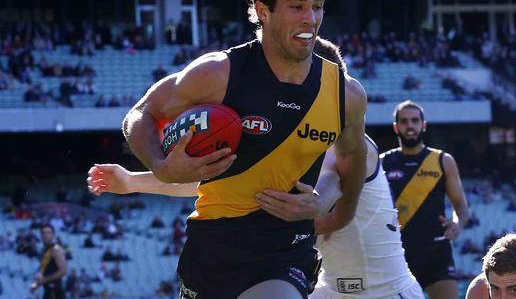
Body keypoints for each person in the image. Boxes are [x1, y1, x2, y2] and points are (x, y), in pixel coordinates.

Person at [120, 0, 367, 299]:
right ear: (262, 10)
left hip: (285, 253)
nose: (310, 19)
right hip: (210, 251)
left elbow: (351, 159)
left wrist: (332, 205)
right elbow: (142, 114)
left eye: (317, 7)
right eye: (297, 6)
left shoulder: (347, 95)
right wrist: (161, 165)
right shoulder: (216, 73)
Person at [88, 38, 422, 299]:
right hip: (332, 289)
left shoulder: (350, 145)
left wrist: (317, 203)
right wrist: (134, 181)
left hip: (385, 291)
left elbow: (330, 186)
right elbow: (216, 182)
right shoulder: (292, 147)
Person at [381, 100, 470, 299]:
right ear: (396, 127)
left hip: (436, 251)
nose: (410, 125)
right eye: (404, 121)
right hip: (397, 252)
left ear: (424, 125)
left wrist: (457, 224)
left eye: (414, 120)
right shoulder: (382, 162)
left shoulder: (442, 160)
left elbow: (461, 206)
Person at [30, 224, 67, 299]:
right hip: (47, 290)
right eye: (43, 233)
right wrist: (36, 285)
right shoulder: (44, 250)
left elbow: (63, 271)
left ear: (53, 235)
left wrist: (45, 279)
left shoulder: (56, 249)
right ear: (41, 235)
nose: (46, 235)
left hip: (55, 291)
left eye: (48, 233)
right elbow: (44, 271)